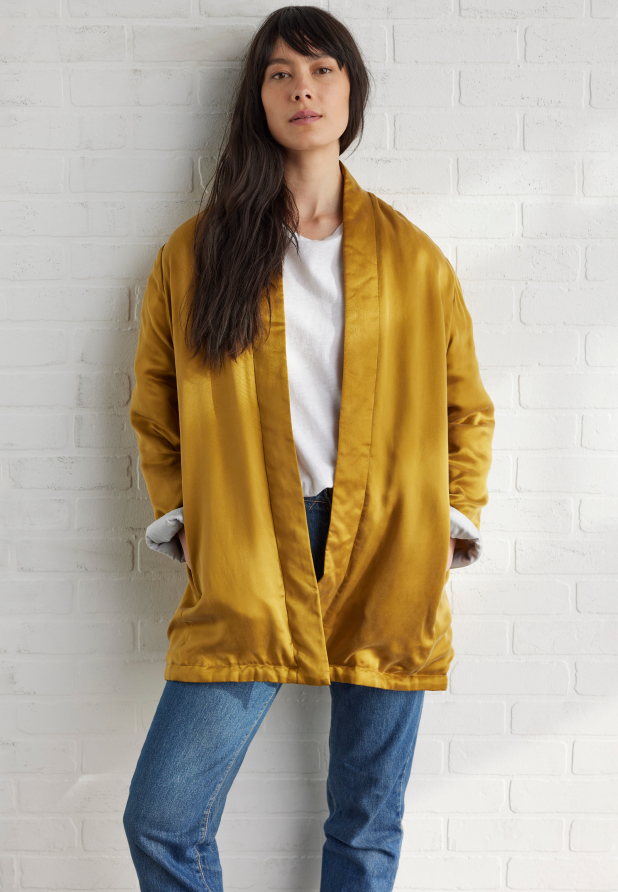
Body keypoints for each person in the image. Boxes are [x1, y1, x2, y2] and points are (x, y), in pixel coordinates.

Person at [123, 6, 495, 891]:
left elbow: (465, 405)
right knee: (162, 818)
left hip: (391, 539)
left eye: (323, 70)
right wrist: (186, 520)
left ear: (351, 93)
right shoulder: (198, 253)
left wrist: (450, 519)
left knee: (365, 824)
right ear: (257, 98)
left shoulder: (413, 260)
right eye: (281, 73)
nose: (303, 89)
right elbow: (157, 401)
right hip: (252, 540)